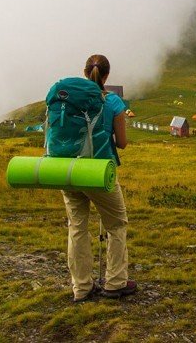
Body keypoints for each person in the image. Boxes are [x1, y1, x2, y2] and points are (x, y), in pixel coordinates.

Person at [64, 53, 136, 302]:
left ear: (85, 73)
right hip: (98, 172)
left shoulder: (69, 99)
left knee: (77, 227)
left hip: (67, 170)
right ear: (106, 76)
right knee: (116, 224)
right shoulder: (113, 102)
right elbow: (123, 143)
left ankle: (81, 288)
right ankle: (115, 283)